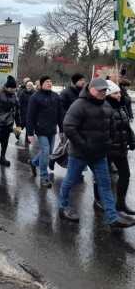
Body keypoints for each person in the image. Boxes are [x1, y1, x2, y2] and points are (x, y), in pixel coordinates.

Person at [58, 78, 135, 229]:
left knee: (105, 184)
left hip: (99, 154)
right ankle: (63, 207)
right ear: (91, 89)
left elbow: (111, 126)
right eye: (100, 90)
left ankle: (112, 218)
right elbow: (68, 127)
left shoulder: (106, 105)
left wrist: (109, 142)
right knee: (70, 181)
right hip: (80, 154)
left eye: (105, 90)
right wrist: (84, 145)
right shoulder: (78, 105)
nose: (102, 92)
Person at [93, 80, 135, 215]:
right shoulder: (103, 108)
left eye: (119, 93)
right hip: (107, 150)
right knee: (101, 177)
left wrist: (132, 140)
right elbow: (98, 130)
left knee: (125, 175)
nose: (119, 95)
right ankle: (98, 200)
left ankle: (120, 203)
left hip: (121, 148)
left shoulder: (120, 107)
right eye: (116, 93)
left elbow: (126, 127)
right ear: (108, 94)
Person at [27, 75, 63, 188]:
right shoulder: (35, 97)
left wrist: (61, 129)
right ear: (41, 84)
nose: (49, 83)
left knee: (47, 153)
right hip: (41, 129)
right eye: (47, 82)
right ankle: (43, 177)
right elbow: (30, 116)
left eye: (51, 82)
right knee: (46, 152)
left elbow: (60, 114)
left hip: (52, 129)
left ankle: (33, 163)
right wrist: (30, 133)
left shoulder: (56, 96)